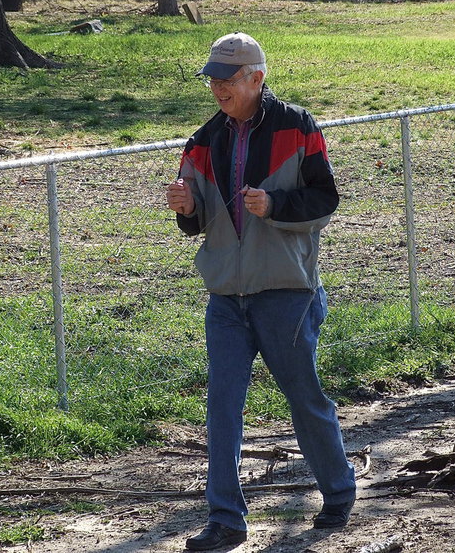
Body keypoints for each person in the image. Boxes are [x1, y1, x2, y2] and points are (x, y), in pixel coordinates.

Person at [166, 32, 356, 552]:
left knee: (304, 397)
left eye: (227, 78)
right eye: (212, 78)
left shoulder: (299, 127)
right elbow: (198, 222)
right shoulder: (202, 140)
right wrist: (185, 208)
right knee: (222, 407)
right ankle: (225, 519)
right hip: (226, 297)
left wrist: (273, 206)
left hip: (287, 293)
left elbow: (325, 199)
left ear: (257, 78)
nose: (217, 87)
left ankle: (338, 491)